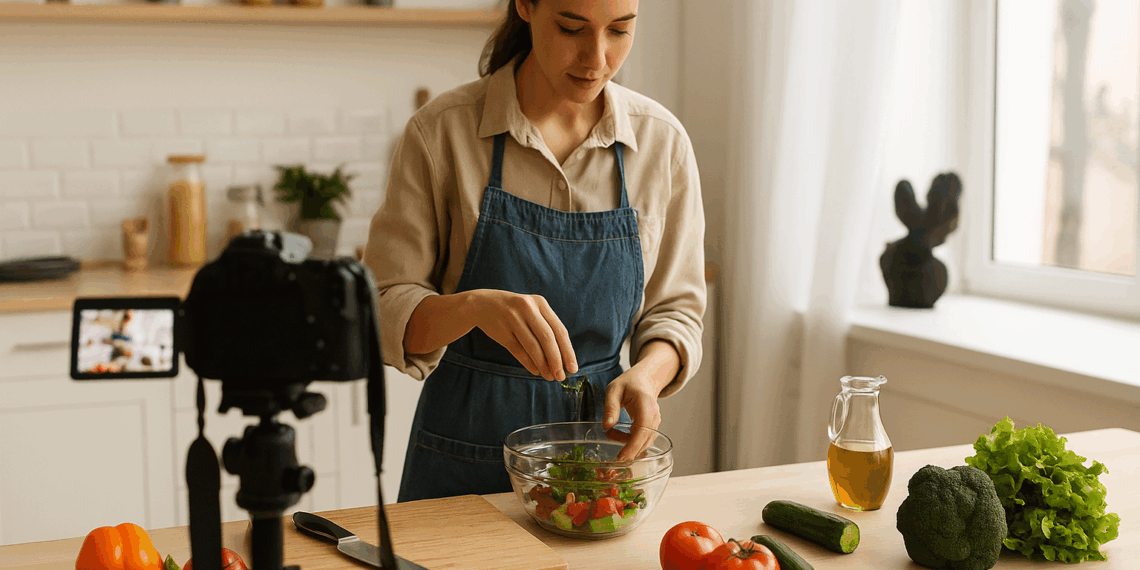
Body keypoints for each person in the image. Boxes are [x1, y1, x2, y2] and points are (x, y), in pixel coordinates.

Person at [363, 0, 706, 503]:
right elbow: (382, 305)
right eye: (572, 28)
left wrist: (648, 377)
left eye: (619, 30)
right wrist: (473, 307)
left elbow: (676, 311)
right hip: (463, 456)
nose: (597, 58)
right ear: (525, 5)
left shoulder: (662, 143)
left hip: (601, 463)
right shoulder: (442, 133)